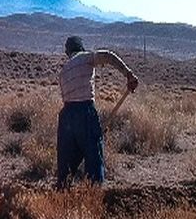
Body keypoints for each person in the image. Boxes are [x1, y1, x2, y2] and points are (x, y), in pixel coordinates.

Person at [56, 35, 138, 188]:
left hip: (66, 116)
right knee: (93, 158)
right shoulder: (85, 57)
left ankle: (61, 199)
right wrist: (128, 74)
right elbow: (107, 56)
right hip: (84, 112)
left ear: (67, 52)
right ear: (81, 48)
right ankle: (94, 196)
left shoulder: (64, 70)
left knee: (66, 164)